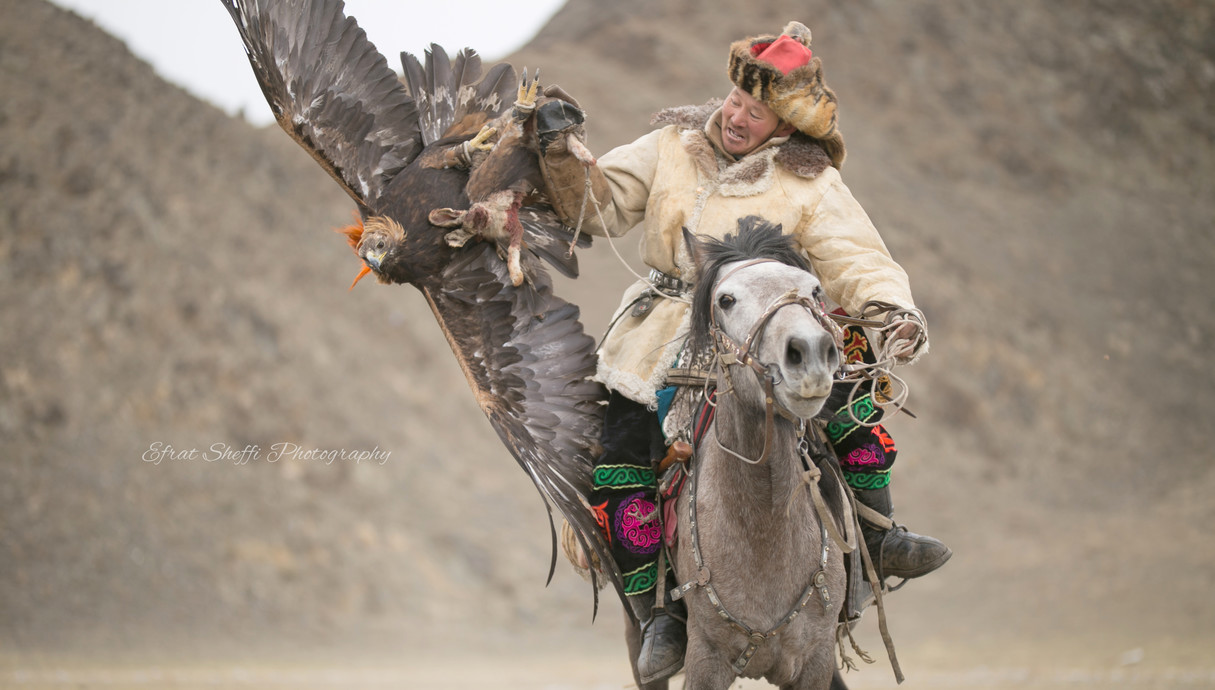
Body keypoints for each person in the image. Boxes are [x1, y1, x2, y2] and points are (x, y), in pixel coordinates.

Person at [534, 21, 951, 683]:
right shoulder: (670, 145)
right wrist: (559, 155)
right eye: (734, 99)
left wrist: (892, 310)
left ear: (783, 126)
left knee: (850, 411)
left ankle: (877, 536)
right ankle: (658, 616)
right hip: (660, 332)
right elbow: (599, 204)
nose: (734, 115)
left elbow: (856, 258)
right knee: (615, 463)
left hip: (772, 331)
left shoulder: (811, 182)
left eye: (754, 111)